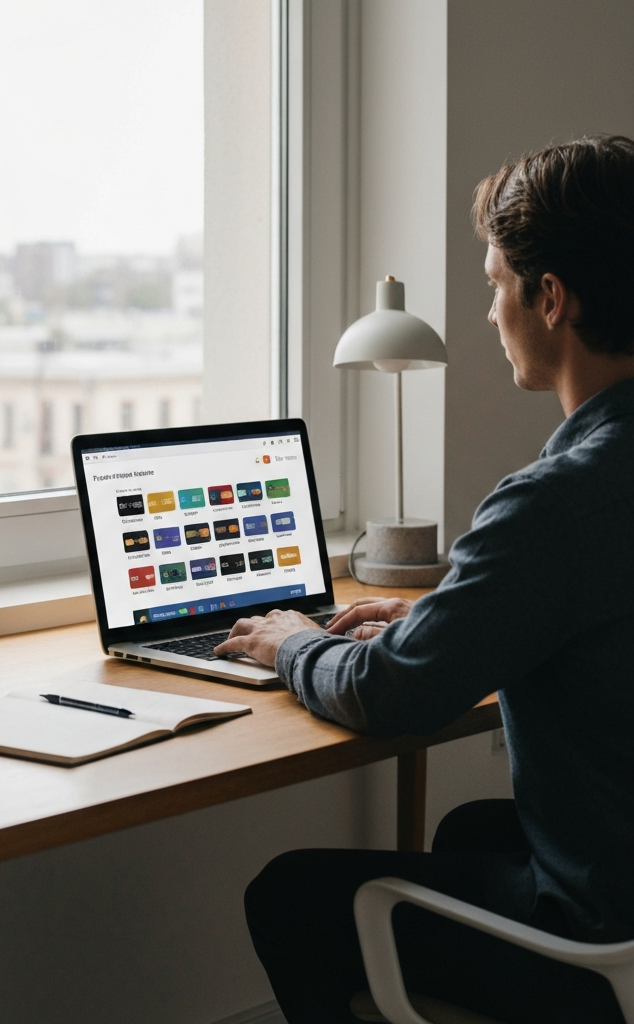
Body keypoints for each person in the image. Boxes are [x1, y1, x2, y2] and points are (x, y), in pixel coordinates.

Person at [214, 135, 634, 1023]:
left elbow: (389, 693)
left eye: (493, 284)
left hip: (608, 936)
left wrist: (292, 642)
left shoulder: (559, 503)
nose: (487, 314)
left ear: (550, 299)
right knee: (470, 833)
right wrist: (444, 613)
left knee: (290, 895)